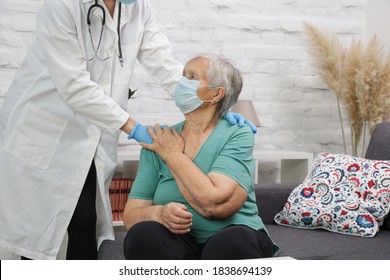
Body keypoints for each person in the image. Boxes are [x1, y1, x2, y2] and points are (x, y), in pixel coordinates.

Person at [0, 0, 254, 260]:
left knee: (87, 220)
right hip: (45, 129)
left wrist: (218, 103)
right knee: (35, 227)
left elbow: (165, 65)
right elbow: (73, 84)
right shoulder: (62, 6)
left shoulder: (137, 9)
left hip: (92, 133)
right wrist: (135, 128)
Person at [122, 54, 279, 260]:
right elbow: (131, 215)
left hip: (235, 235)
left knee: (230, 243)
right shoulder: (160, 140)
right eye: (183, 76)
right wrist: (157, 214)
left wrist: (172, 154)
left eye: (192, 77)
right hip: (181, 242)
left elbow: (214, 202)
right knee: (140, 235)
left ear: (216, 94)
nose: (181, 83)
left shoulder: (237, 133)